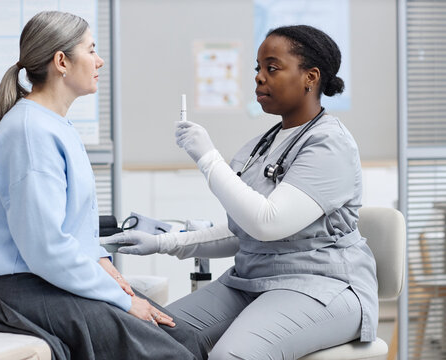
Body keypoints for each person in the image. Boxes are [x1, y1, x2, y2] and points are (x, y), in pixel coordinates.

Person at [104, 25, 378, 359]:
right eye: (257, 69)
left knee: (228, 356)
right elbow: (244, 232)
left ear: (311, 77)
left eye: (272, 68)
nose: (259, 78)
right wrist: (164, 243)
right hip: (251, 281)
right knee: (151, 337)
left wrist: (207, 157)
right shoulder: (261, 146)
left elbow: (267, 223)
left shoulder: (330, 144)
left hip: (323, 286)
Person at [0, 11, 206, 360]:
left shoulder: (54, 125)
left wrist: (104, 264)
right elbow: (45, 247)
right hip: (19, 289)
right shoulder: (31, 132)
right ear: (61, 61)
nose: (100, 60)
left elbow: (69, 229)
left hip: (47, 279)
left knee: (188, 339)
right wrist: (123, 300)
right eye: (91, 50)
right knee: (169, 353)